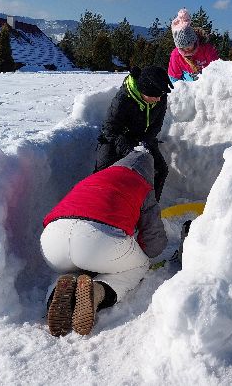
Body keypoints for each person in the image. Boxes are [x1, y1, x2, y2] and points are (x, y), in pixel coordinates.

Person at [41, 150, 167, 337]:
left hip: (52, 242)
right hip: (97, 241)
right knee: (139, 265)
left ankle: (55, 295)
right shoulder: (142, 185)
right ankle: (98, 291)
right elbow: (153, 244)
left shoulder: (93, 178)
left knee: (73, 266)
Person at [95, 66, 172, 201]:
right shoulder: (123, 99)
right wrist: (129, 150)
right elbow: (109, 128)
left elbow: (156, 125)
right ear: (143, 91)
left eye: (161, 95)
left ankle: (149, 205)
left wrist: (145, 142)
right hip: (117, 138)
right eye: (155, 96)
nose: (159, 99)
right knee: (104, 171)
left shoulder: (160, 95)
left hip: (142, 138)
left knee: (160, 170)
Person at [168, 8, 220, 83]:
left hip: (208, 83)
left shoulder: (206, 49)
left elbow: (216, 68)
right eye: (183, 47)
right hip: (188, 87)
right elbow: (174, 78)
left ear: (194, 41)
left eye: (189, 44)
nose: (187, 49)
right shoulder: (176, 55)